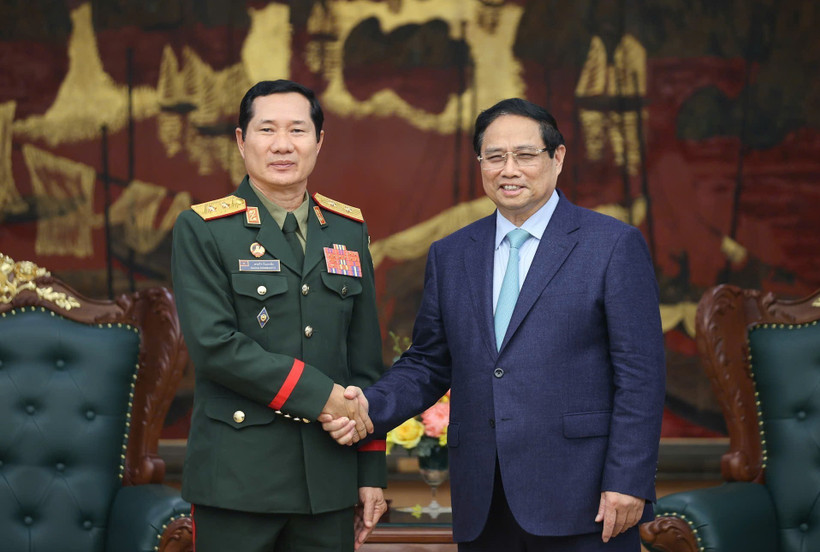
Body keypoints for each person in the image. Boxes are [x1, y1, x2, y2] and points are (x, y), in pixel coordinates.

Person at [323, 98, 665, 551]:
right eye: (495, 156)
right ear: (480, 163)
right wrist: (366, 407)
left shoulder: (612, 245)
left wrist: (628, 480)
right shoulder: (451, 254)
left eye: (525, 155)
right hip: (484, 500)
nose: (509, 170)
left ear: (557, 157)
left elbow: (640, 375)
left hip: (586, 497)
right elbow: (428, 363)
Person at [171, 79, 387, 552]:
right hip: (238, 481)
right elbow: (214, 347)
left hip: (329, 481)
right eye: (267, 129)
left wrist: (370, 471)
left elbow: (365, 360)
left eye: (298, 130)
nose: (283, 145)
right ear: (241, 140)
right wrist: (324, 396)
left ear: (319, 141)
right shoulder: (204, 229)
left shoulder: (347, 230)